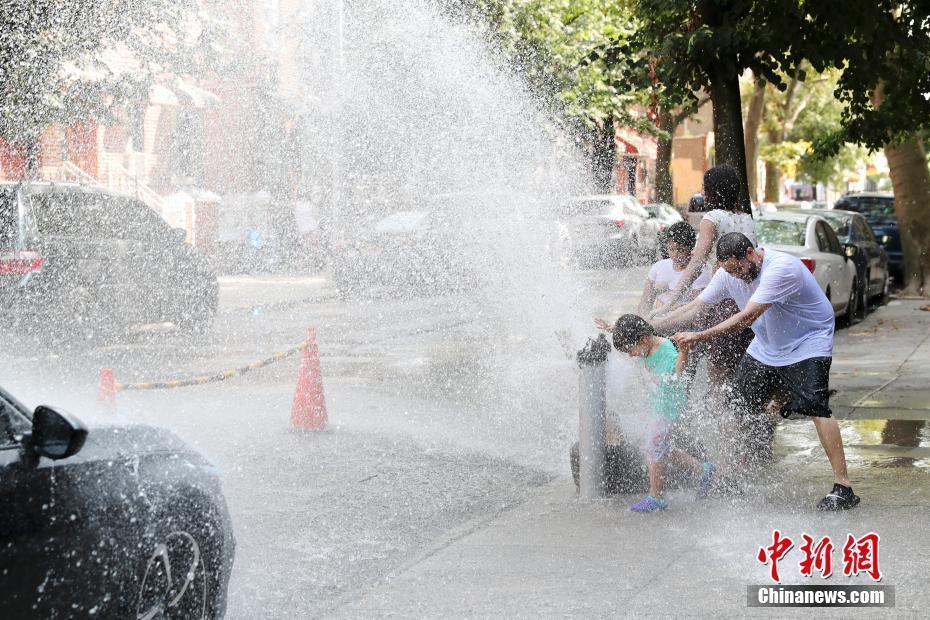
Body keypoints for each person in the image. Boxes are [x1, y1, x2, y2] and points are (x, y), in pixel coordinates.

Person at [656, 232, 859, 511]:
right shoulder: (729, 273)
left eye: (738, 268)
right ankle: (730, 477)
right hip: (766, 346)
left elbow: (747, 317)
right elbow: (696, 306)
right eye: (729, 271)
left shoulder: (780, 268)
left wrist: (700, 336)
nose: (736, 276)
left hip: (808, 342)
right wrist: (653, 325)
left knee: (817, 409)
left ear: (752, 254)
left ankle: (843, 486)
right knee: (733, 407)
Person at [658, 165, 757, 382]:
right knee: (735, 372)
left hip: (719, 306)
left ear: (714, 190)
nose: (702, 192)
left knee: (713, 372)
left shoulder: (712, 218)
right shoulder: (747, 219)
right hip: (745, 304)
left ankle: (701, 412)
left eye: (705, 187)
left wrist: (672, 299)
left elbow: (697, 262)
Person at [610, 314, 716, 513]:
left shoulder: (665, 348)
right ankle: (703, 470)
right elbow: (631, 332)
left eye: (630, 350)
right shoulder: (646, 344)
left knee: (652, 448)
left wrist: (684, 352)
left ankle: (656, 497)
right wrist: (613, 328)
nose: (631, 355)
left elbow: (677, 372)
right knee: (662, 449)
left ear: (643, 339)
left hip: (669, 407)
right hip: (660, 404)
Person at [637, 221, 711, 317]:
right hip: (655, 319)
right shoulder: (658, 267)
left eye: (681, 250)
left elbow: (698, 309)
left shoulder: (699, 273)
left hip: (679, 322)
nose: (675, 255)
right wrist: (642, 321)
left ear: (691, 248)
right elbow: (645, 302)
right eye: (671, 249)